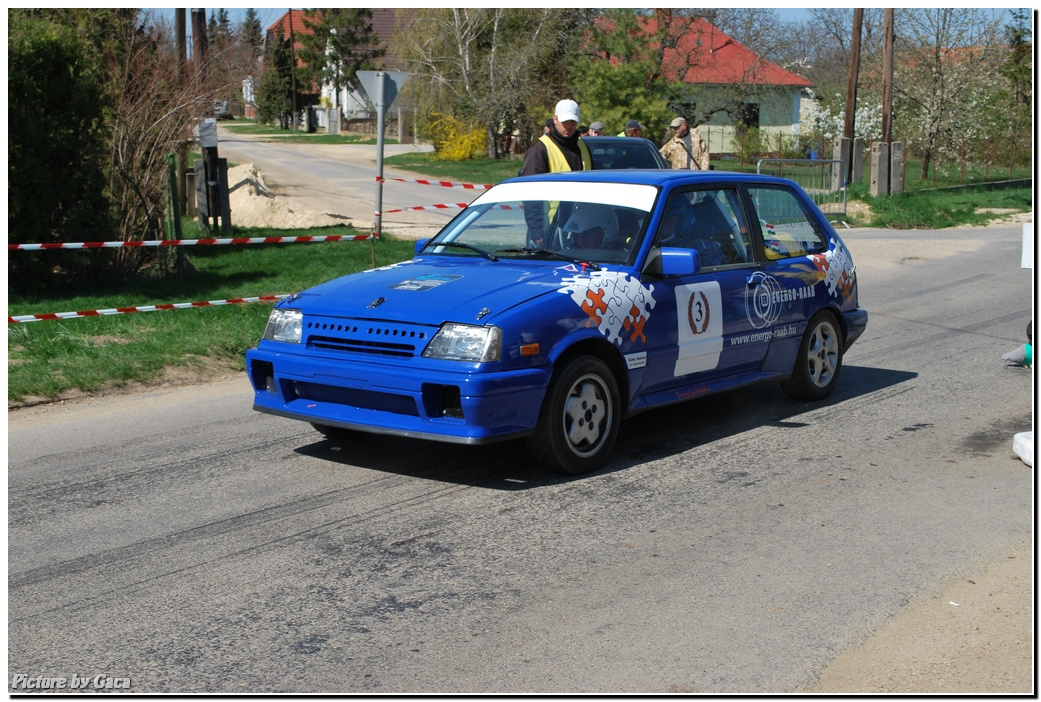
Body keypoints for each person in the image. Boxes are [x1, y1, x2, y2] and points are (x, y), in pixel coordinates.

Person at [521, 99, 593, 246]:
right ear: (555, 119)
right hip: (549, 230)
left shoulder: (583, 147)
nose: (569, 126)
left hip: (580, 228)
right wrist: (537, 231)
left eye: (573, 121)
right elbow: (531, 194)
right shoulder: (540, 149)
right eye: (565, 121)